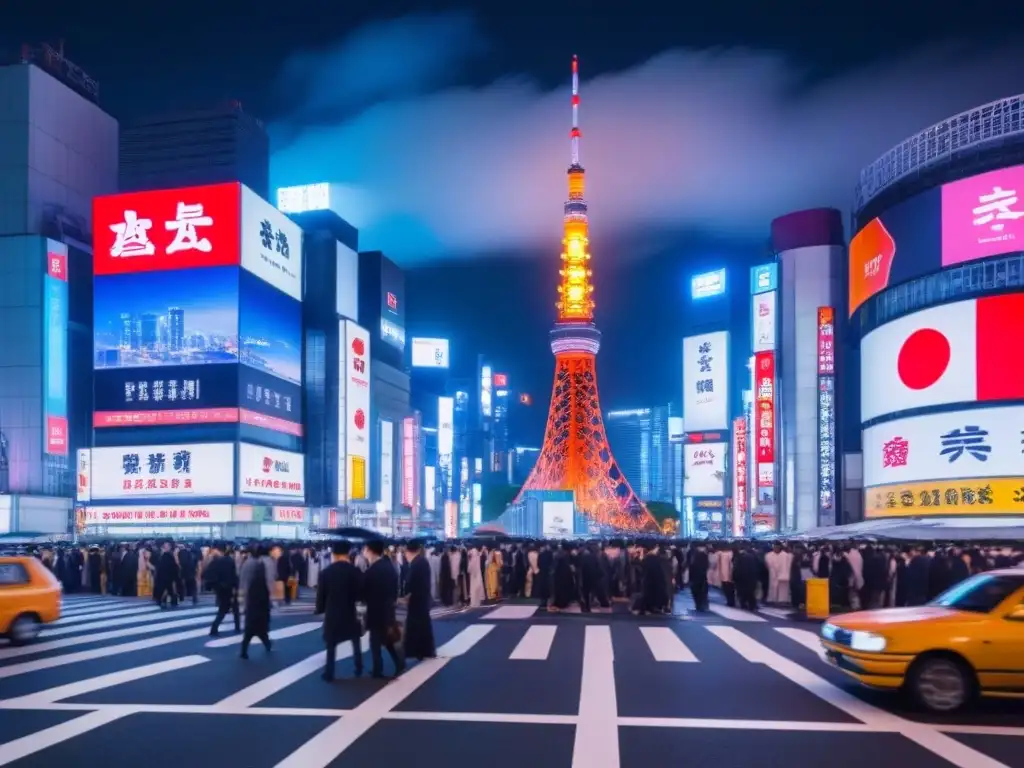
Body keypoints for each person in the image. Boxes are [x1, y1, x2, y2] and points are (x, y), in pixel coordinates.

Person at [315, 540, 363, 681]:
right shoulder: (355, 571)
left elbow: (321, 595)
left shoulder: (326, 573)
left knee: (331, 644)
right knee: (355, 641)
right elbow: (361, 593)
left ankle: (329, 672)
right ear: (348, 553)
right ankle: (358, 667)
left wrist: (320, 609)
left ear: (334, 554)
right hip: (350, 611)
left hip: (333, 612)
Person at [361, 538, 405, 678]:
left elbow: (364, 591)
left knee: (376, 641)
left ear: (370, 551)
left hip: (376, 610)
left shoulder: (373, 570)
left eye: (365, 549)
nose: (363, 552)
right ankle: (396, 663)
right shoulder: (388, 566)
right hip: (387, 609)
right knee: (387, 639)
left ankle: (378, 669)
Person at [239, 544, 275, 659]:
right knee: (259, 630)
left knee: (251, 631)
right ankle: (266, 645)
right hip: (257, 605)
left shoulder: (247, 563)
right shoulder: (258, 566)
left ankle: (245, 651)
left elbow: (242, 582)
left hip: (251, 604)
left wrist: (242, 603)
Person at [402, 540, 437, 661]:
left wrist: (407, 595)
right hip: (421, 598)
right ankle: (425, 650)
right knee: (423, 625)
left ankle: (417, 651)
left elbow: (410, 582)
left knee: (417, 626)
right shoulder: (421, 561)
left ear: (408, 551)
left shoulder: (416, 563)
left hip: (417, 599)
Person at [204, 543, 240, 637]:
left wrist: (213, 585)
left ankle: (214, 628)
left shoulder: (215, 561)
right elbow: (234, 576)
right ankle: (237, 627)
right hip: (230, 588)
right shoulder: (229, 561)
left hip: (220, 588)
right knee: (234, 608)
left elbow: (207, 574)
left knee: (223, 609)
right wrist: (236, 586)